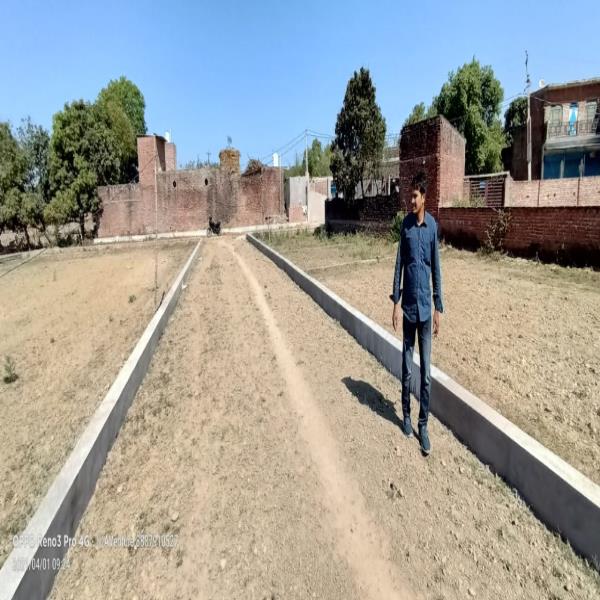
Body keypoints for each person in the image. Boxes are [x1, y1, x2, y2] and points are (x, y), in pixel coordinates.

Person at [391, 172, 444, 455]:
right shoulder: (406, 226)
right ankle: (406, 416)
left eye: (414, 196)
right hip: (409, 309)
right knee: (407, 368)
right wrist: (395, 302)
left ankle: (423, 425)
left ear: (424, 197)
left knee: (425, 374)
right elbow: (399, 264)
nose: (410, 200)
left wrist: (438, 307)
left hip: (425, 311)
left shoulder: (432, 226)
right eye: (409, 195)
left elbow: (436, 269)